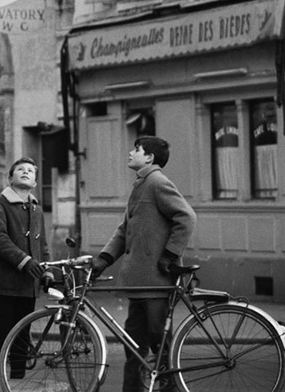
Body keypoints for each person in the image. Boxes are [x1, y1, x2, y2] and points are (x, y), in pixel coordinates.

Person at [92, 136, 197, 392]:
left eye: (136, 149)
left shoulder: (157, 182)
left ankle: (169, 387)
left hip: (156, 279)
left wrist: (170, 255)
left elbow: (187, 217)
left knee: (158, 338)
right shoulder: (141, 183)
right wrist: (104, 260)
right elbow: (125, 229)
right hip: (140, 280)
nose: (130, 152)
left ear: (149, 157)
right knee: (133, 342)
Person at [0, 157, 51, 379]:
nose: (25, 172)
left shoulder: (36, 209)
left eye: (30, 170)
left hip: (27, 283)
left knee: (22, 333)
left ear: (35, 182)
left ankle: (18, 377)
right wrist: (25, 261)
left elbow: (42, 244)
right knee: (1, 333)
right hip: (3, 282)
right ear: (10, 178)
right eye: (20, 169)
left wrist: (46, 269)